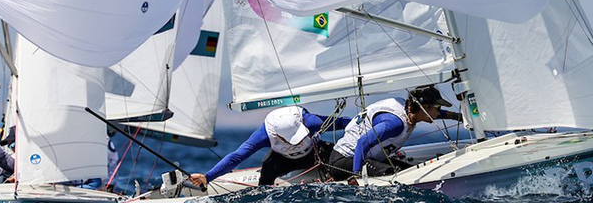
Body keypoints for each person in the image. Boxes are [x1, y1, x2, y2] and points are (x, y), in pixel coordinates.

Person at [189, 105, 350, 187]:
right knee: (266, 170)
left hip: (316, 154)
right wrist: (207, 177)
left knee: (341, 159)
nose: (299, 140)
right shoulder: (264, 134)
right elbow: (237, 156)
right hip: (284, 160)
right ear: (278, 136)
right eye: (293, 139)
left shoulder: (310, 121)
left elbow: (342, 123)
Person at [328, 85, 462, 181]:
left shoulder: (409, 109)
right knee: (394, 175)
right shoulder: (394, 123)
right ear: (424, 107)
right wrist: (356, 175)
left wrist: (456, 116)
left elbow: (433, 114)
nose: (438, 112)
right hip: (344, 162)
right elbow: (362, 142)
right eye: (437, 108)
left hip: (367, 159)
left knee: (409, 170)